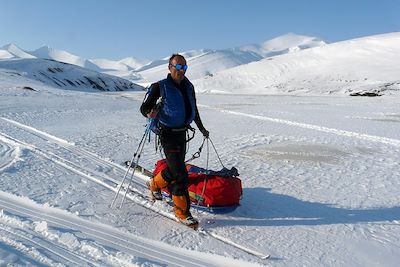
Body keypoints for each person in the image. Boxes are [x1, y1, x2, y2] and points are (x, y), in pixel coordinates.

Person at [140, 53, 209, 227]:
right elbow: (144, 108)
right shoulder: (160, 86)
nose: (181, 70)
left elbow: (194, 109)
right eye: (178, 67)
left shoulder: (189, 86)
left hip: (182, 133)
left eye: (184, 67)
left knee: (174, 168)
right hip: (167, 134)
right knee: (180, 174)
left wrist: (201, 128)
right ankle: (182, 212)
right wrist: (150, 113)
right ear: (169, 67)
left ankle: (154, 184)